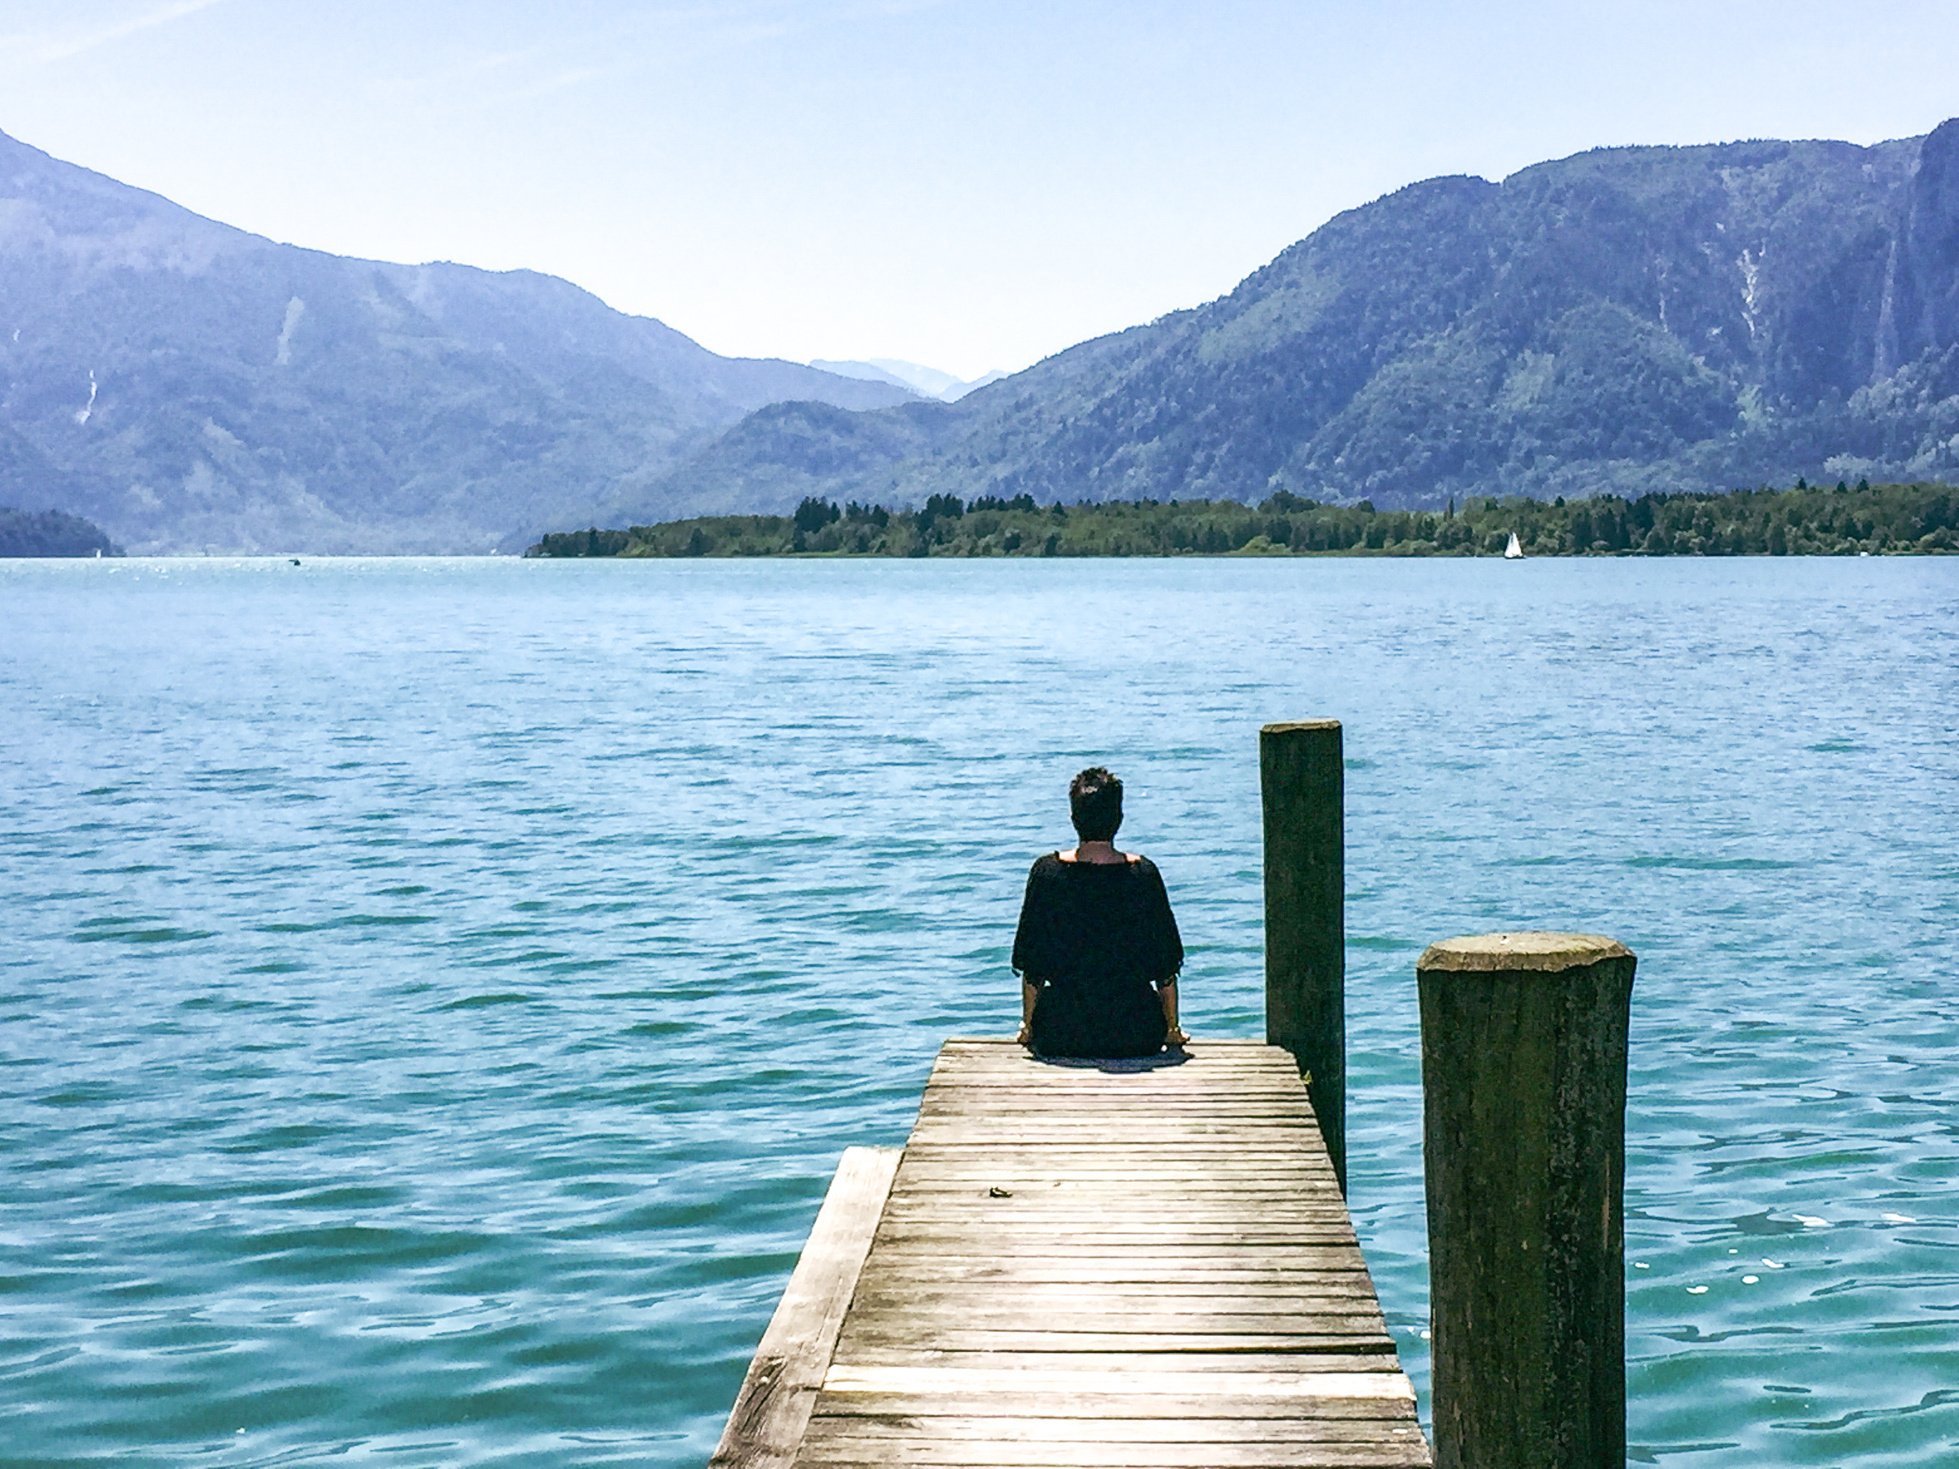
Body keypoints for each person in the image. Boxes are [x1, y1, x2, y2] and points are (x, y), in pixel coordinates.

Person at [1011, 766, 1187, 1058]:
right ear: (1119, 819)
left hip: (1062, 1032)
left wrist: (1029, 1027)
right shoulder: (1143, 875)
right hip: (1136, 1031)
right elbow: (1165, 968)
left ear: (1073, 819)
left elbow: (1033, 967)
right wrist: (1172, 1028)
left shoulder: (1047, 874)